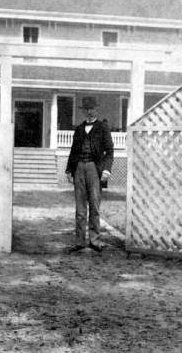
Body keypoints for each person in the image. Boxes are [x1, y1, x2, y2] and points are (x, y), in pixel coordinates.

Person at [66, 96, 114, 252]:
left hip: (95, 169)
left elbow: (110, 151)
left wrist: (106, 169)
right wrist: (69, 169)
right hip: (79, 167)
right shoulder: (79, 129)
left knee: (94, 205)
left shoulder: (102, 127)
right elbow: (73, 151)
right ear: (83, 111)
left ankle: (95, 240)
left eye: (91, 108)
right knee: (80, 208)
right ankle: (79, 241)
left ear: (96, 109)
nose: (89, 112)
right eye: (86, 109)